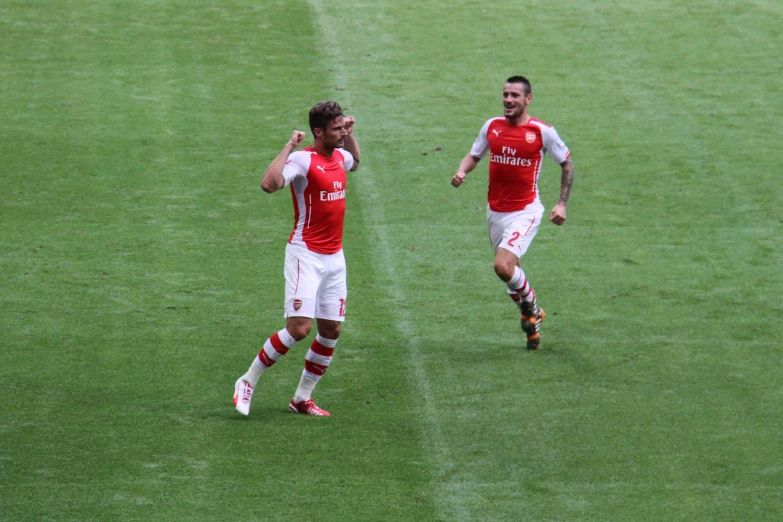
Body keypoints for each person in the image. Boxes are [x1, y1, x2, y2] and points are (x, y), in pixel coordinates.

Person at [233, 101, 360, 417]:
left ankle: (301, 398)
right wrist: (289, 145)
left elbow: (355, 161)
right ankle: (247, 381)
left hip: (335, 259)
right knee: (300, 328)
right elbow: (269, 184)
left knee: (331, 330)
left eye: (344, 126)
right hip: (305, 255)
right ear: (318, 132)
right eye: (336, 129)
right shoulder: (303, 160)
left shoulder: (341, 156)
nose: (342, 133)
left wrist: (351, 133)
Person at [451, 76, 574, 350]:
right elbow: (474, 155)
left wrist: (561, 203)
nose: (508, 100)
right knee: (510, 275)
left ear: (527, 99)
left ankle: (531, 306)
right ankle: (534, 319)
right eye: (506, 94)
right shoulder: (492, 126)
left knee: (502, 265)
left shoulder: (542, 131)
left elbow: (567, 163)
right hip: (495, 211)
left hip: (526, 210)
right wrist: (462, 171)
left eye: (515, 96)